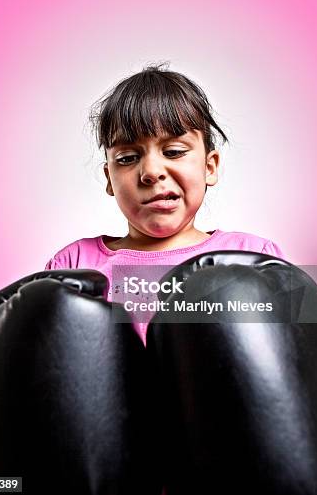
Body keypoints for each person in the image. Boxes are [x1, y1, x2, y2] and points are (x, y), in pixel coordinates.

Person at [44, 63, 285, 345]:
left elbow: (296, 360)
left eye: (173, 151)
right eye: (127, 158)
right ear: (109, 178)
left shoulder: (252, 256)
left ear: (210, 167)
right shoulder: (74, 264)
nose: (151, 172)